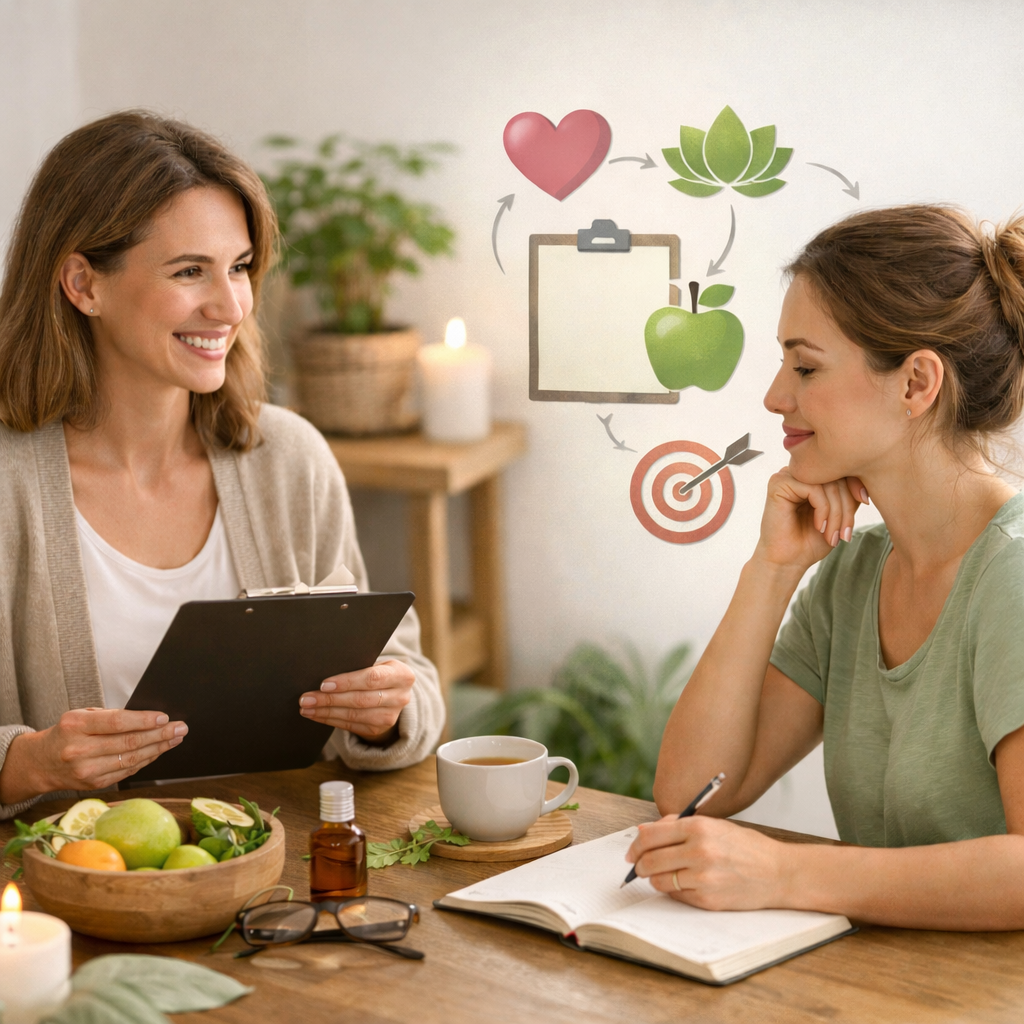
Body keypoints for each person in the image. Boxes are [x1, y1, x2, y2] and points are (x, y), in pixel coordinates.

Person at [0, 111, 444, 819]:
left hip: (279, 858)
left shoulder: (288, 458)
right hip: (70, 878)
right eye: (189, 271)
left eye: (239, 267)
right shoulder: (9, 487)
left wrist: (385, 710)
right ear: (83, 284)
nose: (231, 305)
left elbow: (409, 675)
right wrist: (27, 764)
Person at [627, 205, 1024, 930]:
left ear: (916, 383)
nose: (775, 397)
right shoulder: (854, 573)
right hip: (875, 980)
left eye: (805, 367)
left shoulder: (1014, 576)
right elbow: (693, 793)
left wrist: (784, 872)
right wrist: (773, 568)